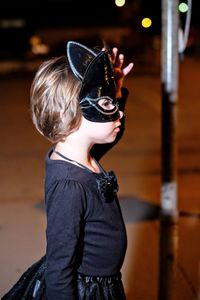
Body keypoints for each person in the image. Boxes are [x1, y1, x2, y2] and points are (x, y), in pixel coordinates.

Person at [30, 40, 133, 300]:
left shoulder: (77, 154)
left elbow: (113, 134)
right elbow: (59, 268)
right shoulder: (69, 186)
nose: (118, 114)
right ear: (72, 114)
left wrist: (116, 93)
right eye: (109, 105)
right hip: (88, 292)